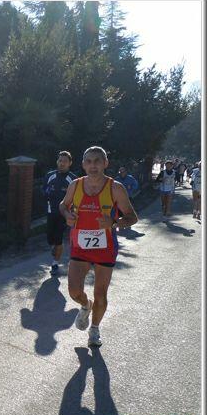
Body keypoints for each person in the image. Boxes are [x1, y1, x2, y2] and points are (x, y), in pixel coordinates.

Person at [59, 146, 138, 347]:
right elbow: (63, 205)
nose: (93, 165)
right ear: (83, 164)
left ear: (105, 163)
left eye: (97, 161)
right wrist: (67, 215)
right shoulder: (75, 186)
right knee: (74, 291)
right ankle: (85, 306)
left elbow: (132, 217)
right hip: (80, 246)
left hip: (105, 248)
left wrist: (113, 223)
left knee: (100, 293)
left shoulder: (115, 187)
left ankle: (94, 329)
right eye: (89, 161)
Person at [42, 151, 77, 276]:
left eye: (65, 161)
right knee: (50, 238)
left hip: (63, 214)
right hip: (50, 211)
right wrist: (47, 194)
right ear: (57, 162)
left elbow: (76, 196)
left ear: (70, 163)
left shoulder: (72, 179)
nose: (62, 163)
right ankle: (54, 249)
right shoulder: (50, 175)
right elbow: (44, 190)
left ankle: (55, 263)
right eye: (60, 161)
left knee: (58, 238)